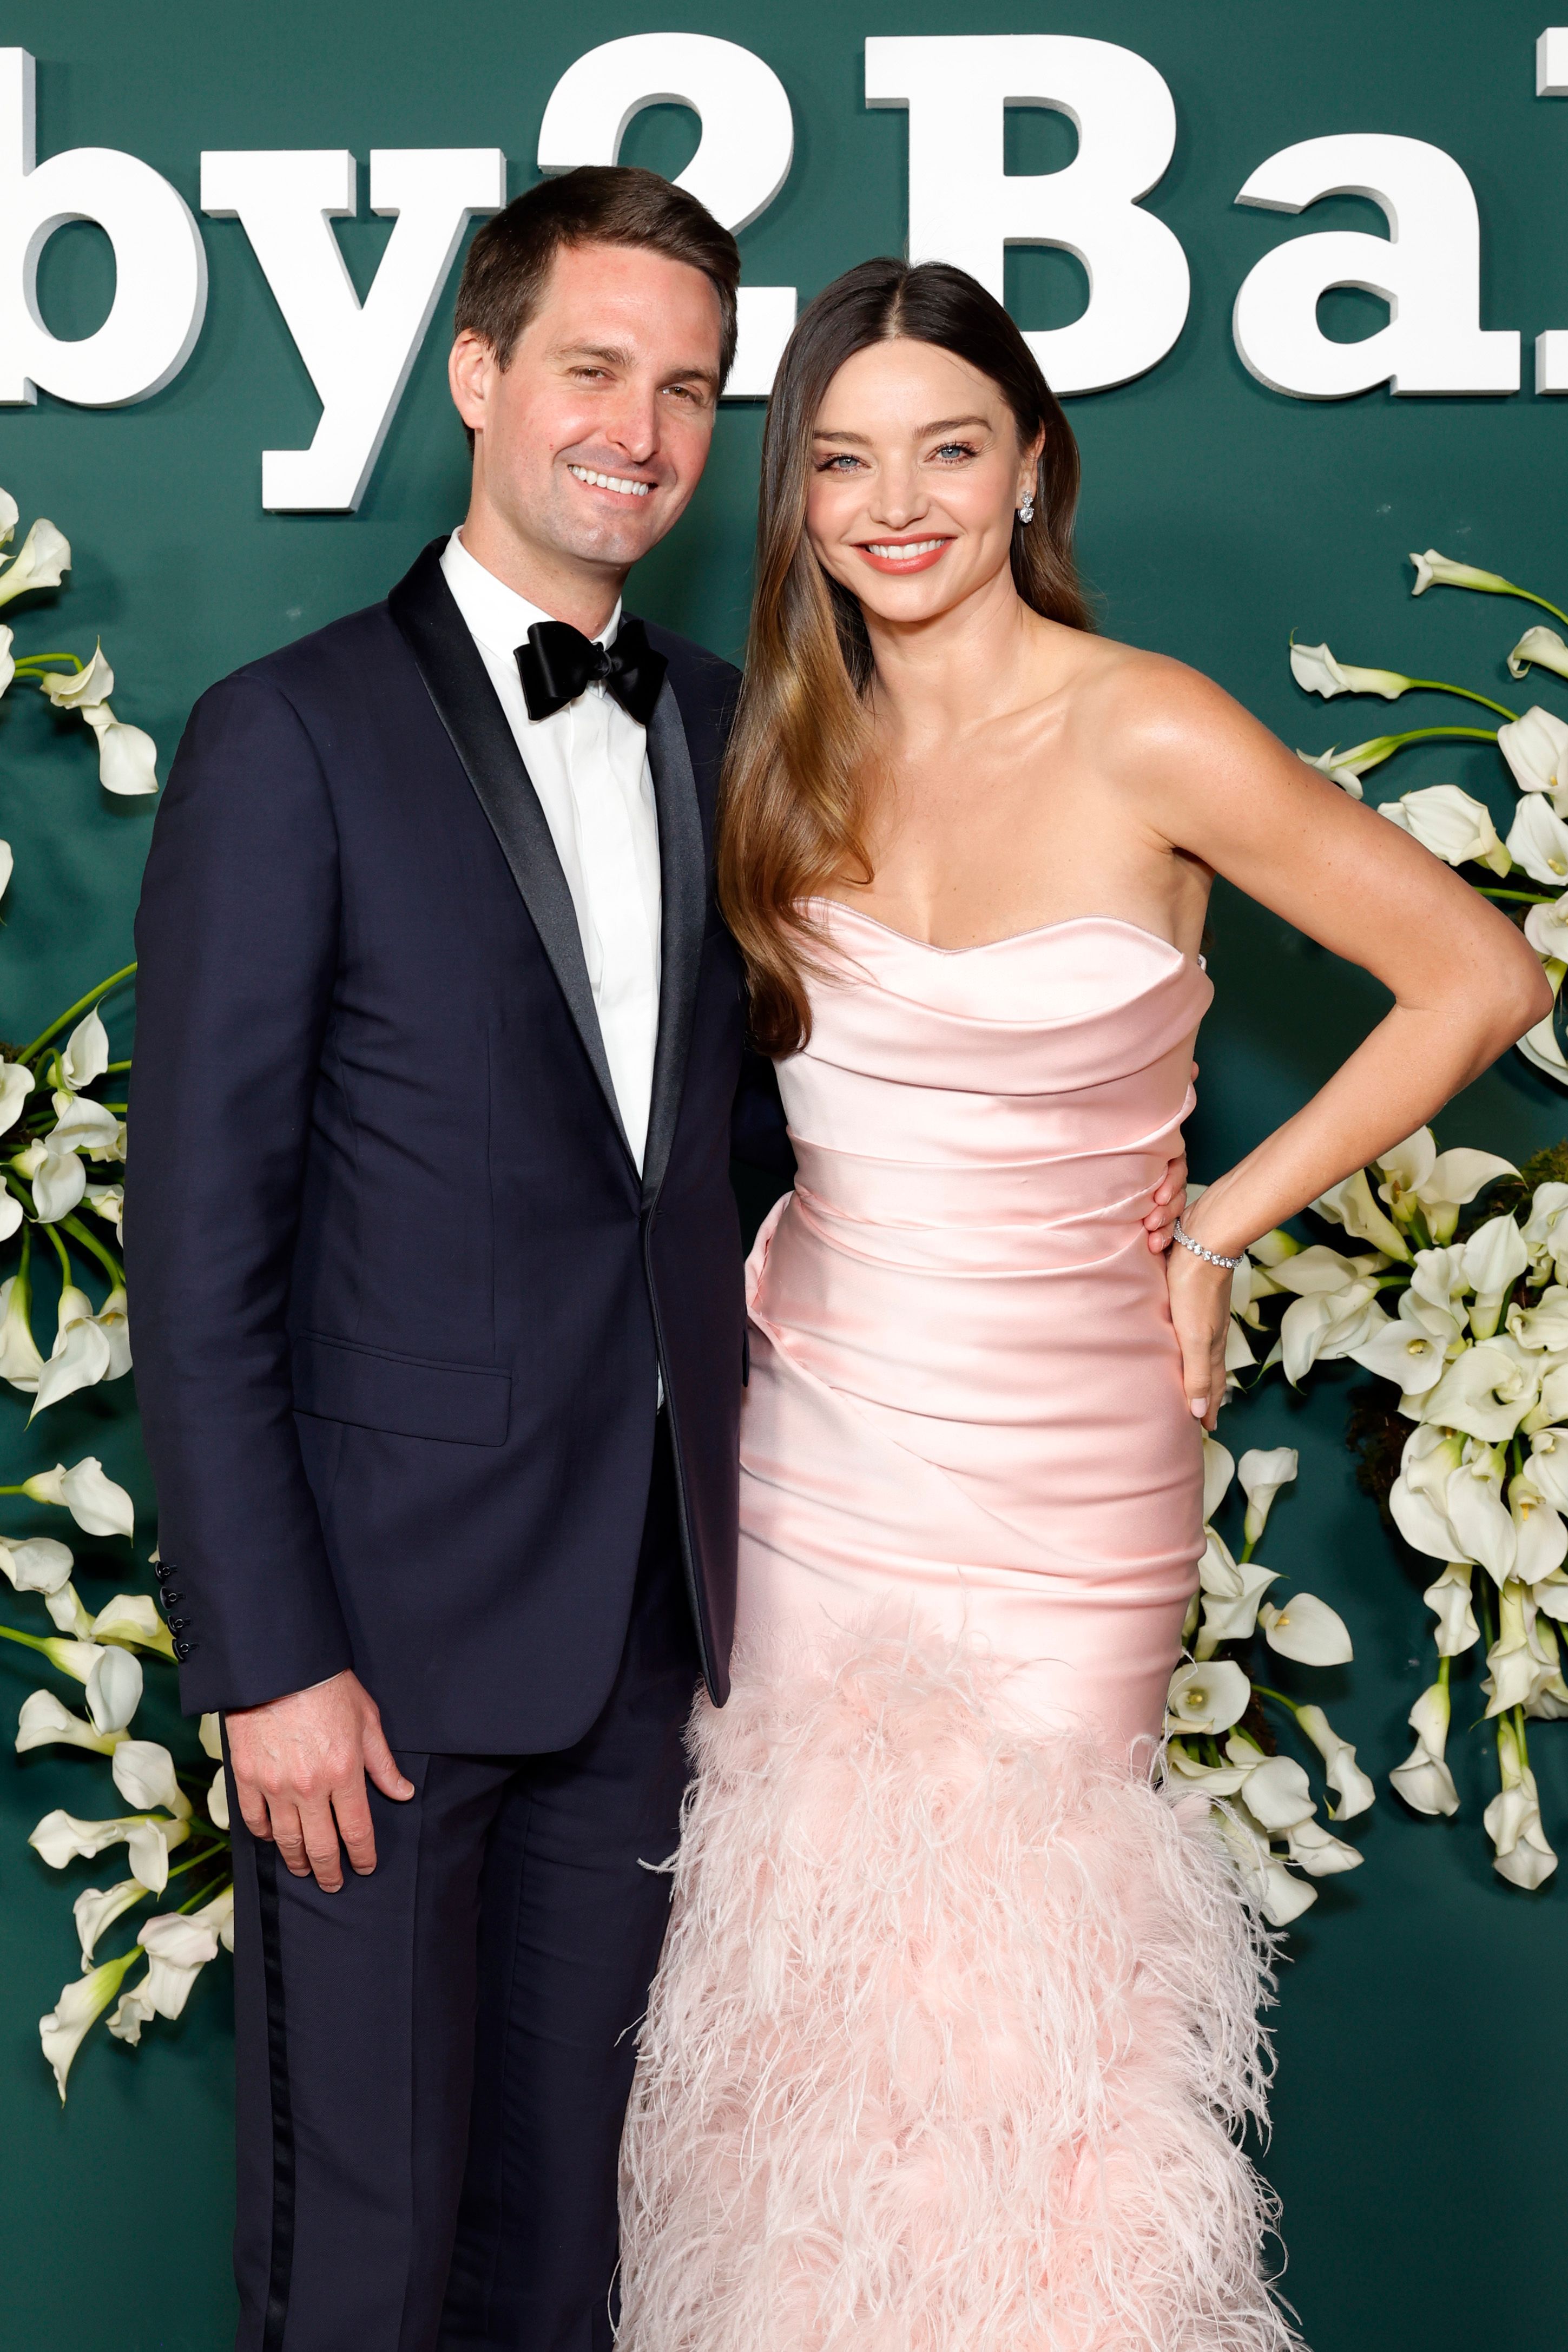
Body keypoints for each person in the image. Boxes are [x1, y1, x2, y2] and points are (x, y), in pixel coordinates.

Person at [617, 258, 1550, 2350]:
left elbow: (1480, 979)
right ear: (798, 501)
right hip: (820, 1447)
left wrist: (1214, 1226)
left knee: (1038, 2029)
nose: (898, 501)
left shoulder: (1148, 723)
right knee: (814, 2014)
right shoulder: (781, 754)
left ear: (1030, 460)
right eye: (844, 460)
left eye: (947, 447)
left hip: (1066, 1466)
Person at [126, 167, 770, 2352]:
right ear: (479, 373)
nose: (643, 427)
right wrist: (266, 1657)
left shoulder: (731, 719)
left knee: (565, 2264)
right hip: (373, 1669)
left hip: (643, 1645)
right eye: (593, 366)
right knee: (365, 2261)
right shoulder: (284, 735)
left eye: (687, 388)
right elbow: (199, 1237)